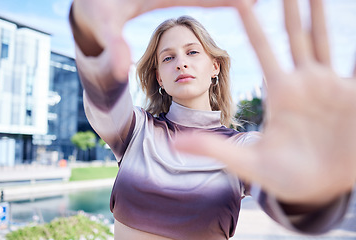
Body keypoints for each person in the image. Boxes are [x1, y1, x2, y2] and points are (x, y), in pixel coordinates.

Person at [69, 0, 356, 239]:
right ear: (159, 77)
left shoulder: (242, 148)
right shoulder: (135, 130)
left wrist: (313, 189)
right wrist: (90, 32)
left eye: (193, 52)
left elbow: (295, 205)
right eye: (167, 58)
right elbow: (103, 95)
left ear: (214, 66)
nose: (181, 62)